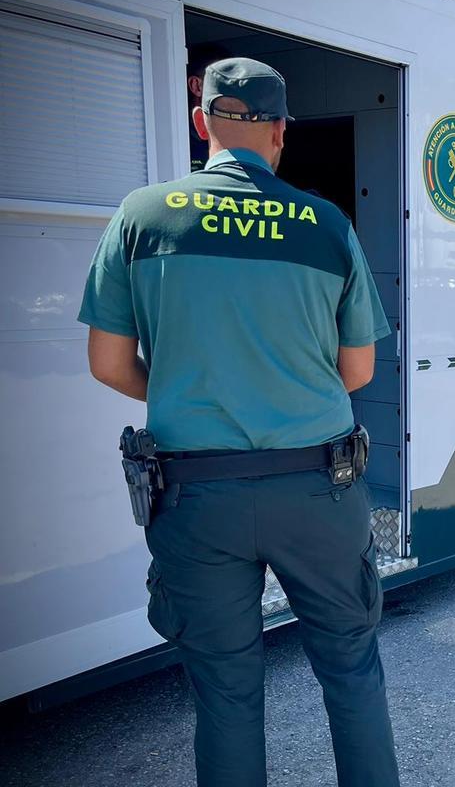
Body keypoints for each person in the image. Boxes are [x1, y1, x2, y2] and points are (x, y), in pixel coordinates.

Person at [78, 58, 400, 786]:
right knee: (351, 670)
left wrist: (193, 391)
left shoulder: (143, 215)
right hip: (319, 490)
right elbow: (357, 374)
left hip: (197, 497)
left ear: (203, 125)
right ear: (282, 131)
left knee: (225, 694)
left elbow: (106, 362)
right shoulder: (326, 224)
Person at [185, 43, 232, 172]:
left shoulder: (236, 137)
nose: (233, 92)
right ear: (196, 86)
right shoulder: (176, 139)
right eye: (223, 82)